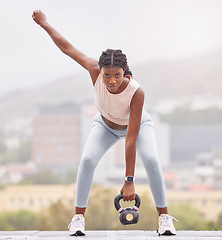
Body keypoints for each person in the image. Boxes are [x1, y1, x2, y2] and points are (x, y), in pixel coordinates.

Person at [32, 10, 177, 236]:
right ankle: (78, 218)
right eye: (107, 75)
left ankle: (165, 219)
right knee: (88, 159)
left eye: (117, 75)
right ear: (101, 72)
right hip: (105, 126)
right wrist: (45, 24)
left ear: (125, 72)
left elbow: (130, 140)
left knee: (151, 159)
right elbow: (67, 47)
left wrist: (129, 181)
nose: (111, 81)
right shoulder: (94, 71)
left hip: (136, 127)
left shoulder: (136, 92)